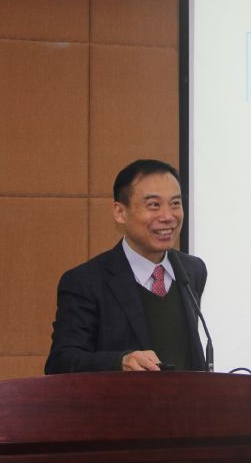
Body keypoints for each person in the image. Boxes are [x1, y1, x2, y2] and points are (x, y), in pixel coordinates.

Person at [45, 159, 208, 373]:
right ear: (120, 212)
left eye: (175, 204)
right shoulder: (86, 281)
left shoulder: (193, 270)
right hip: (121, 396)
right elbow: (61, 362)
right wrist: (119, 361)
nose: (168, 217)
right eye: (154, 205)